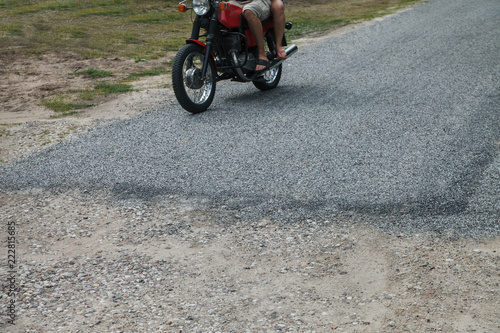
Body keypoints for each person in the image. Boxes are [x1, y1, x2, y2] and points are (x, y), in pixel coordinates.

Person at [232, 0, 286, 71]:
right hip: (238, 2)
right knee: (218, 12)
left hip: (259, 1)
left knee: (249, 11)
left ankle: (262, 53)